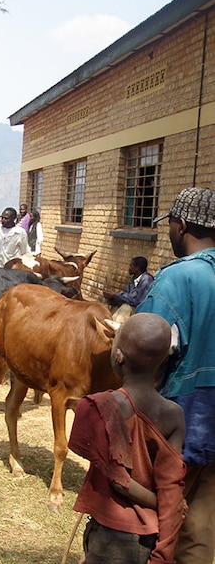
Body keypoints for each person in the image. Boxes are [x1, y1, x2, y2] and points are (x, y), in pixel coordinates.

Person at [137, 186, 215, 564]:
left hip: (183, 420)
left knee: (161, 518)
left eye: (169, 225)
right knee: (200, 526)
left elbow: (148, 351)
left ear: (181, 225)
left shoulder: (176, 279)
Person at [69, 313, 186, 564]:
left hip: (111, 540)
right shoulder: (174, 415)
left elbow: (118, 480)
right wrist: (166, 505)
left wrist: (162, 502)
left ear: (118, 355)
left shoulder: (95, 408)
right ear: (163, 360)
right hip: (150, 537)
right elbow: (171, 486)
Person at [103, 257, 154, 322]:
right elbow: (126, 297)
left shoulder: (147, 280)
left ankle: (118, 330)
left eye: (131, 266)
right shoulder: (133, 279)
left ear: (137, 268)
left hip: (141, 311)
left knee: (126, 308)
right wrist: (111, 297)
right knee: (114, 307)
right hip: (131, 306)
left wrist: (116, 294)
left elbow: (137, 301)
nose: (129, 268)